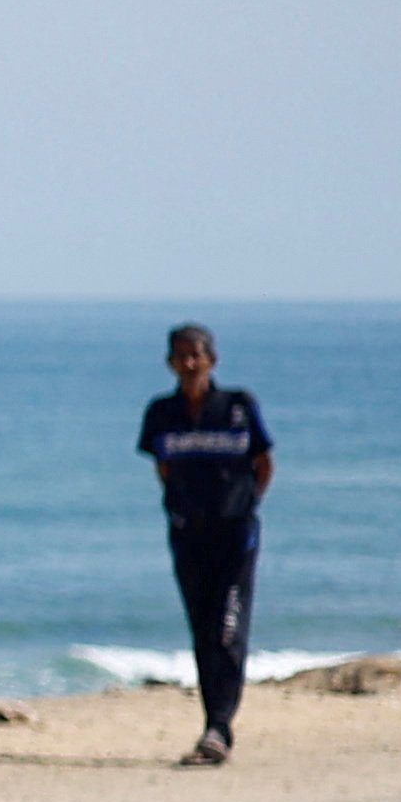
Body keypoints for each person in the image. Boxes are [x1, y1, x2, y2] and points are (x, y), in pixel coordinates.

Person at [139, 322, 273, 766]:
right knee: (201, 632)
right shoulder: (161, 413)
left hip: (236, 536)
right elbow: (163, 469)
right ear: (170, 362)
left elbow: (263, 463)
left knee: (228, 630)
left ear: (212, 359)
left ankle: (219, 728)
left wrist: (243, 504)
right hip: (187, 535)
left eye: (196, 354)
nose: (189, 362)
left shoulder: (238, 406)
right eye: (181, 355)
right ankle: (211, 726)